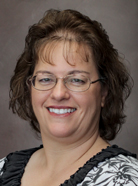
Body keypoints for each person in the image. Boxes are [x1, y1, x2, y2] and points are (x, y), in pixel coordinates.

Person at [0, 9, 138, 186]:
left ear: (104, 92)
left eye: (77, 80)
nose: (58, 94)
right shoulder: (4, 169)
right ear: (29, 88)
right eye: (45, 79)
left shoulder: (125, 180)